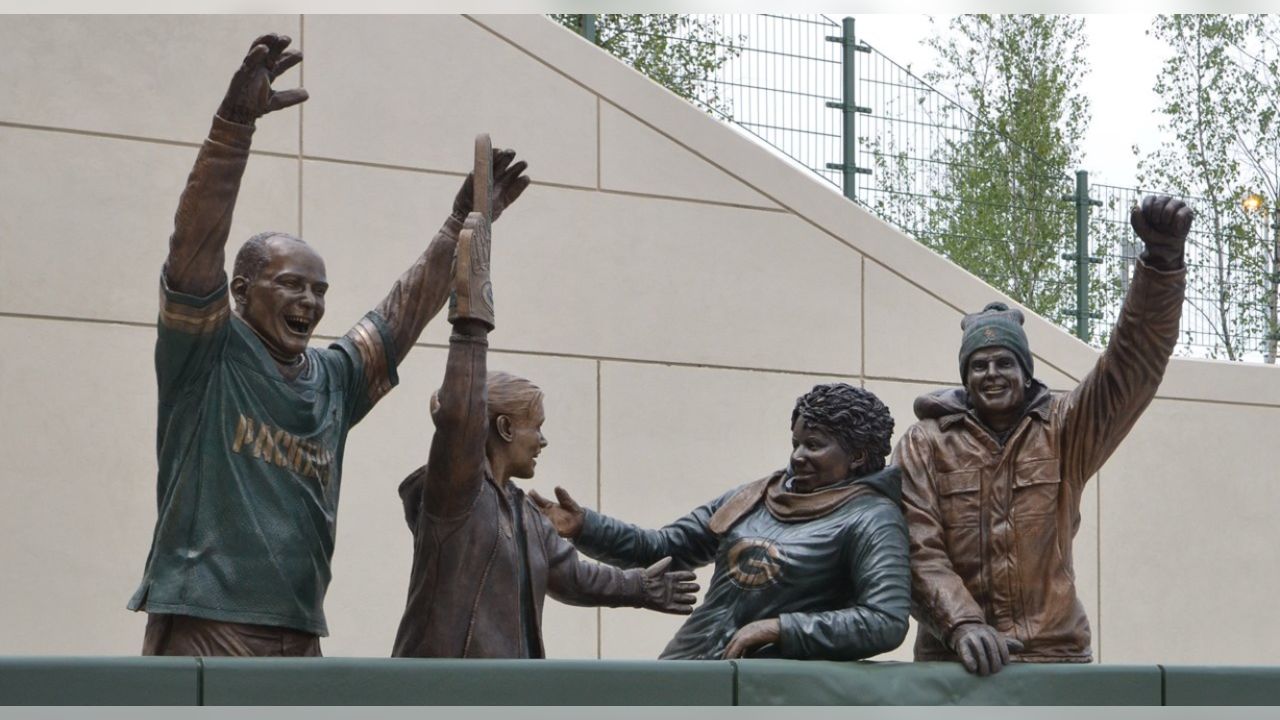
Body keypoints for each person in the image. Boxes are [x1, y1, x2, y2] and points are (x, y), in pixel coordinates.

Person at [129, 34, 530, 657]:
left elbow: (399, 315)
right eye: (290, 284)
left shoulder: (332, 379)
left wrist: (458, 228)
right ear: (239, 290)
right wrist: (233, 129)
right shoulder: (206, 352)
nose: (310, 303)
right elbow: (193, 245)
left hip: (300, 630)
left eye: (319, 290)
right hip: (206, 625)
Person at [392, 136, 699, 659]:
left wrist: (639, 589)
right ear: (505, 428)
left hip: (513, 696)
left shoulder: (525, 513)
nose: (544, 439)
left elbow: (573, 575)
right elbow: (461, 414)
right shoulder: (455, 492)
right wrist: (471, 315)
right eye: (536, 425)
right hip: (442, 696)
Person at [894, 195, 1192, 676]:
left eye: (1004, 362)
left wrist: (1161, 265)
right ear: (965, 378)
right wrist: (963, 625)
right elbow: (914, 546)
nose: (991, 373)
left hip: (1056, 657)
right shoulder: (924, 443)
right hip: (956, 661)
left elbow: (1132, 363)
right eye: (979, 365)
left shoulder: (1065, 429)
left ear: (1026, 372)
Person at [533, 383, 911, 661]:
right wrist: (584, 526)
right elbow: (664, 549)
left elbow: (884, 619)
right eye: (795, 442)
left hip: (770, 695)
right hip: (689, 669)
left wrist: (781, 629)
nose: (797, 456)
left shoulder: (873, 519)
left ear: (859, 456)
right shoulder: (754, 495)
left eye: (814, 445)